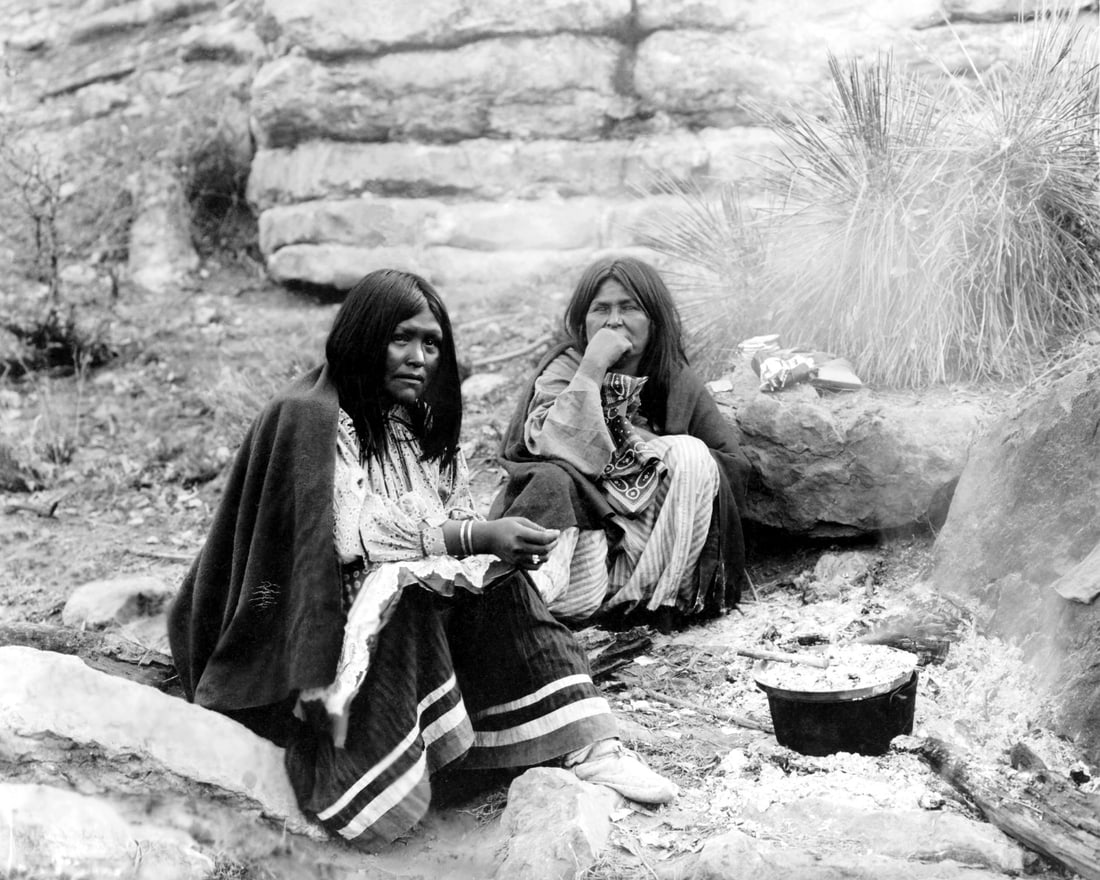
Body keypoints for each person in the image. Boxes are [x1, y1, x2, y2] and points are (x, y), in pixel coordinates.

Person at [167, 268, 676, 851]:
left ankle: (587, 744)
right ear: (362, 338)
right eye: (400, 339)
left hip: (388, 601)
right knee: (402, 594)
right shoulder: (309, 415)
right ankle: (383, 770)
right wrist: (475, 536)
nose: (418, 358)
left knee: (500, 584)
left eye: (431, 344)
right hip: (299, 636)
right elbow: (353, 535)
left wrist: (486, 549)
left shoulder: (416, 421)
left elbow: (449, 513)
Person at [491, 256, 751, 630]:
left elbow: (731, 467)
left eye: (628, 308)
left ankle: (653, 604)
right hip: (582, 541)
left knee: (692, 454)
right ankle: (530, 608)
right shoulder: (564, 368)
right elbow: (549, 447)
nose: (614, 320)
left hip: (647, 550)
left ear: (653, 320)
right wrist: (592, 369)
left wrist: (647, 447)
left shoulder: (674, 379)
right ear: (583, 322)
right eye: (601, 309)